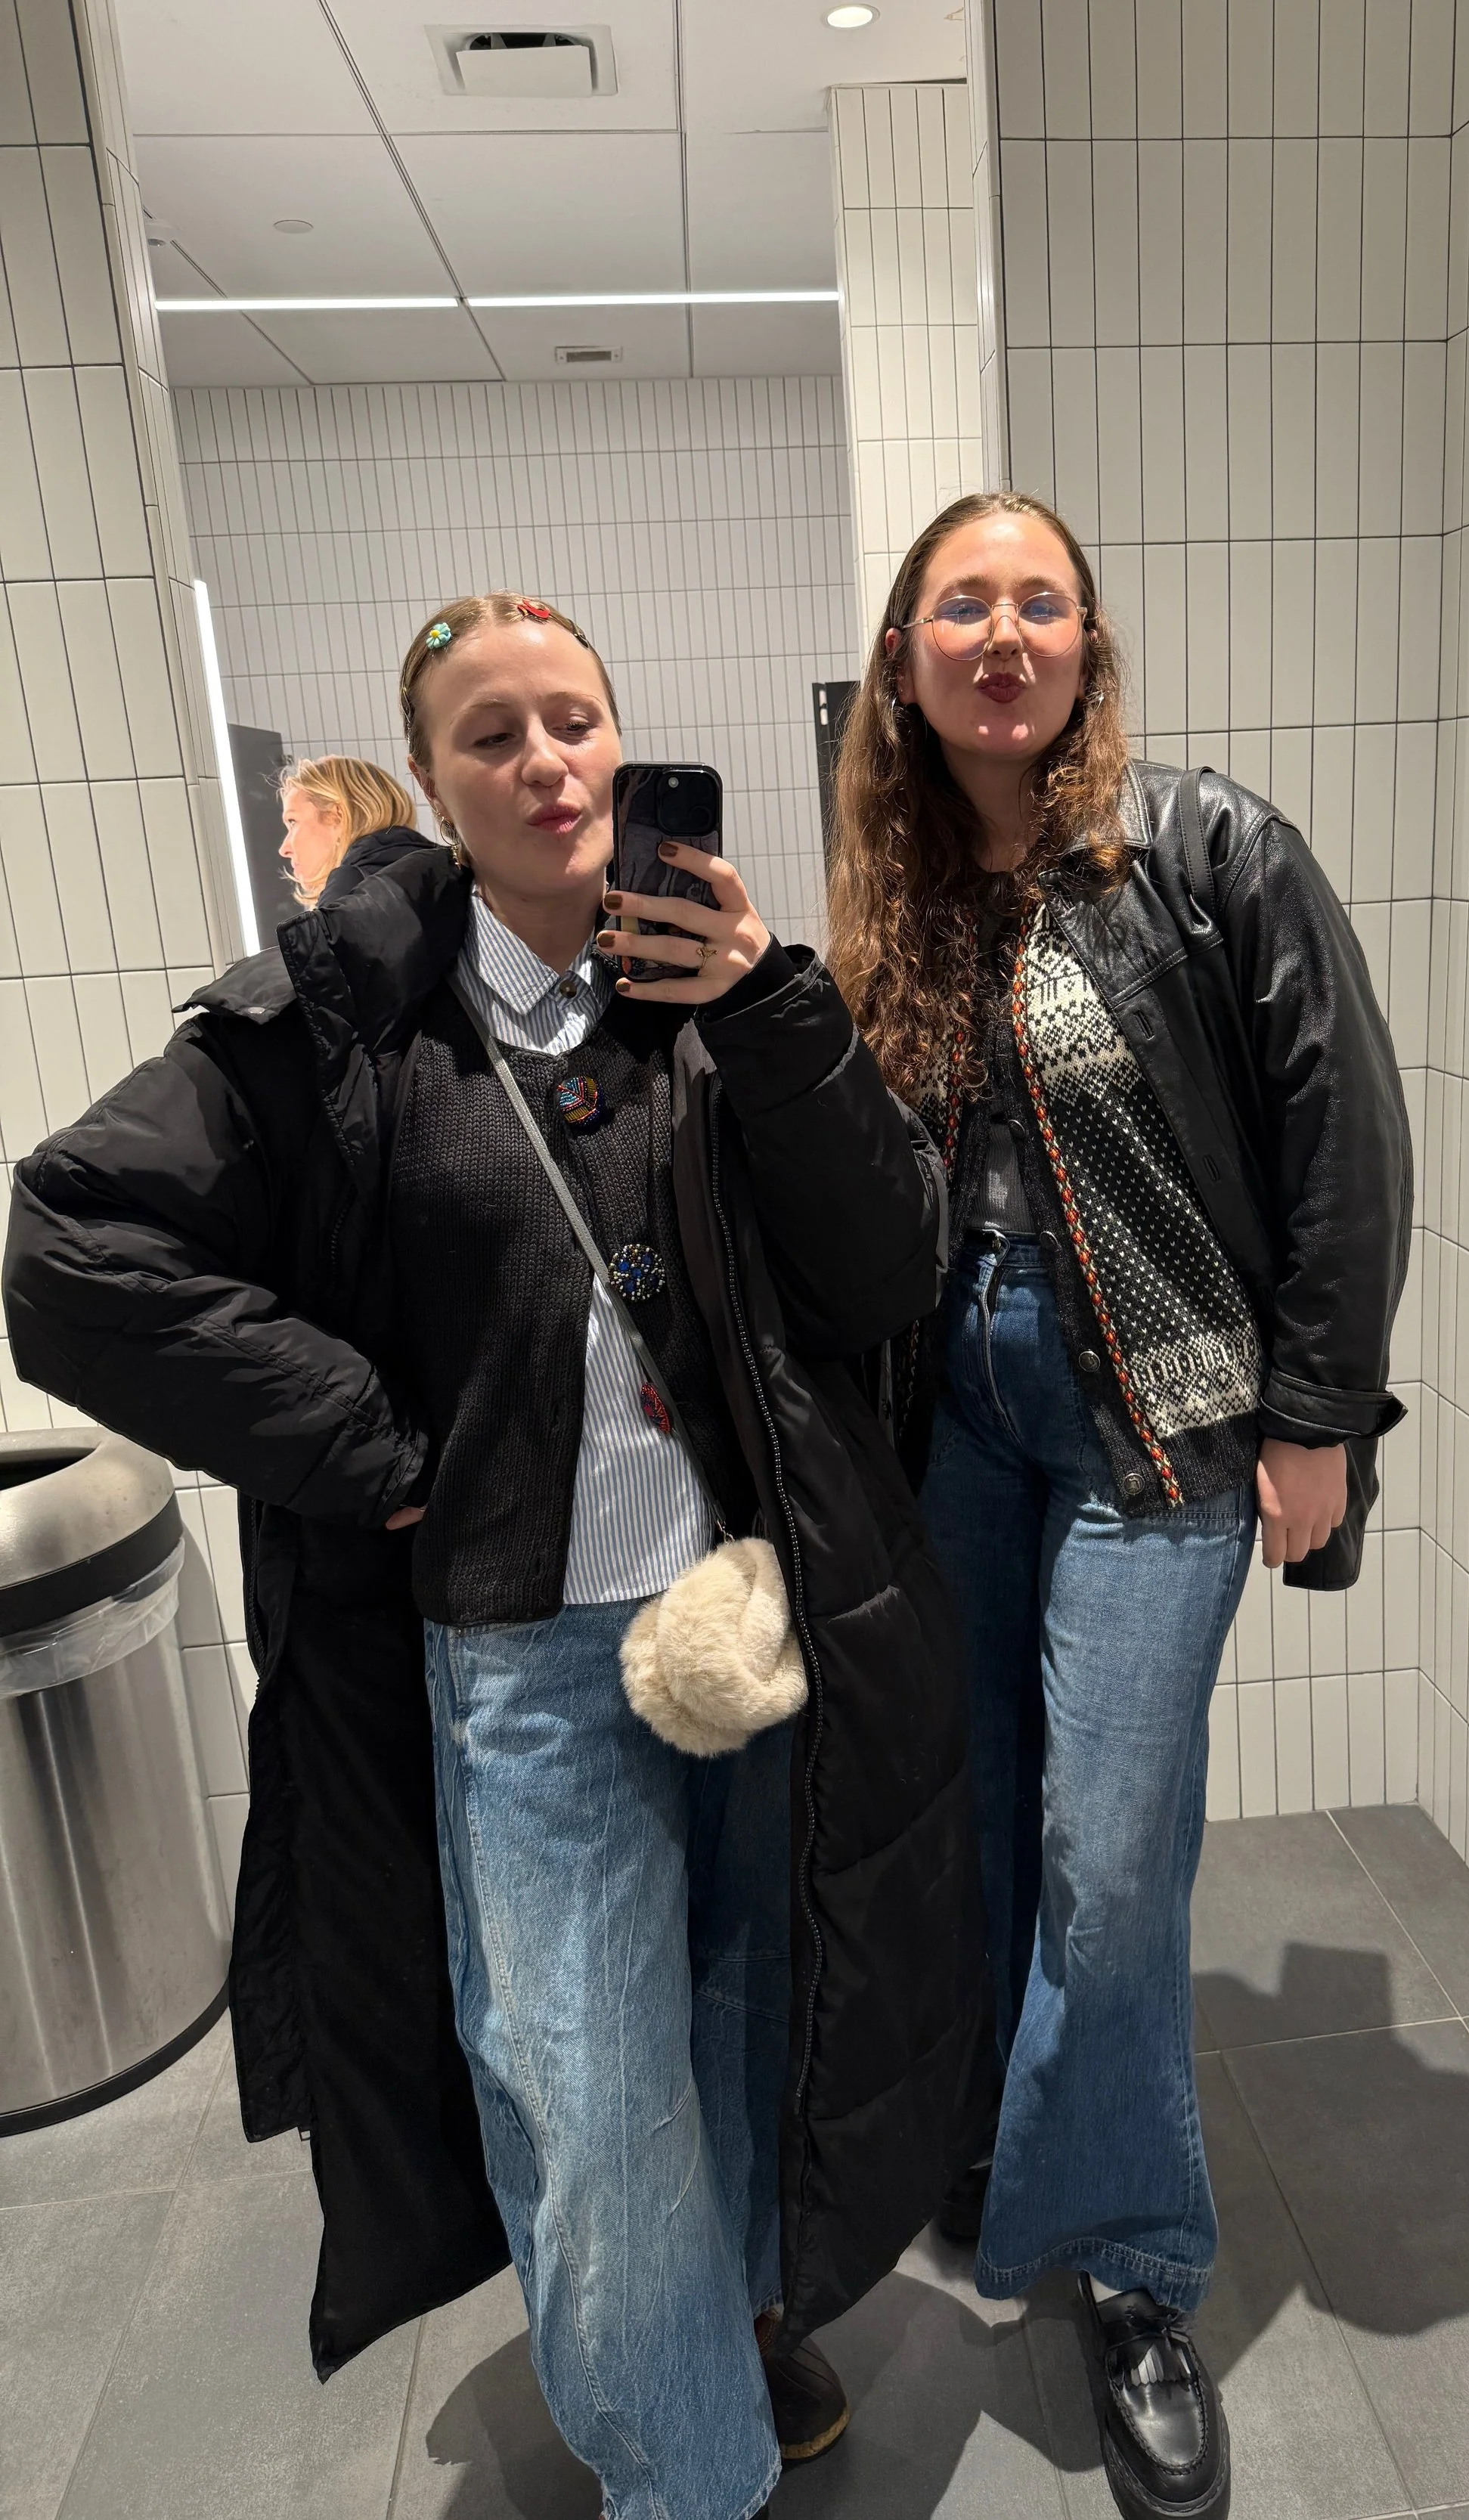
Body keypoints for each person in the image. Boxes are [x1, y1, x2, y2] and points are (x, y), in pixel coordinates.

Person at [4, 591, 991, 2520]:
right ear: (435, 786)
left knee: (726, 2033)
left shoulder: (720, 998)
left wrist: (774, 1004)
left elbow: (890, 1267)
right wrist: (372, 1447)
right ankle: (687, 2481)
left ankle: (710, 2347)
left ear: (627, 747)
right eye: (493, 736)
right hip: (521, 1660)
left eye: (577, 722)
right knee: (589, 2102)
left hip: (742, 1628)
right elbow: (74, 1252)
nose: (549, 765)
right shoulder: (347, 1024)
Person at [826, 494, 1412, 2520]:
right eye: (957, 604)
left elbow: (1346, 1122)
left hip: (1155, 1424)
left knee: (1106, 1847)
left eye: (1035, 600)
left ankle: (1137, 2276)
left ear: (1085, 640)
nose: (999, 633)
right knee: (985, 1812)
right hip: (954, 1429)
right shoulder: (890, 907)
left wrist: (1322, 1405)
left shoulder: (1208, 848)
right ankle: (1012, 2141)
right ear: (905, 659)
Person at [277, 752, 430, 905]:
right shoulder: (441, 863)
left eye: (293, 822)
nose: (284, 849)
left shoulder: (348, 894)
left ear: (337, 816)